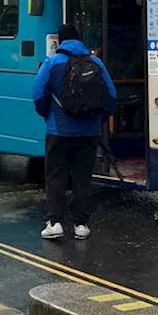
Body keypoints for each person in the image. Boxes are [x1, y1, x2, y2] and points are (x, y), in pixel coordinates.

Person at [32, 23, 118, 241]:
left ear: (60, 41)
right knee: (83, 178)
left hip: (58, 130)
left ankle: (55, 222)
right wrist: (98, 120)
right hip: (88, 132)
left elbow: (38, 94)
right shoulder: (95, 62)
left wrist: (47, 115)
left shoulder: (52, 63)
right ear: (79, 40)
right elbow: (111, 96)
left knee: (56, 177)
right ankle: (81, 224)